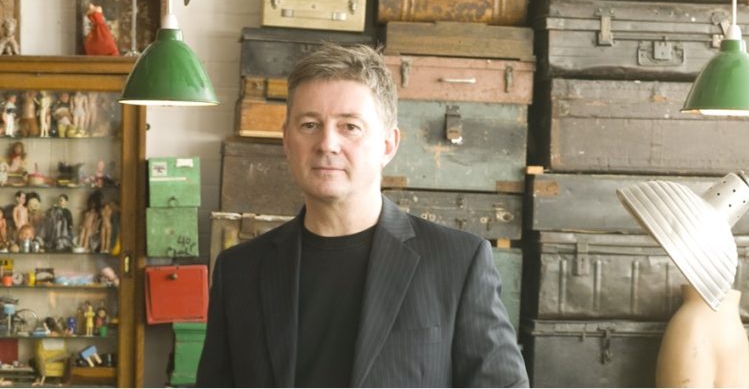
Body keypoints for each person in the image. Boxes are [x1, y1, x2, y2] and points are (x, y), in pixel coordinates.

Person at [196, 44, 528, 387]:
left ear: (388, 144)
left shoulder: (458, 262)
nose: (327, 143)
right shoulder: (239, 271)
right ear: (286, 141)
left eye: (349, 126)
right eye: (310, 124)